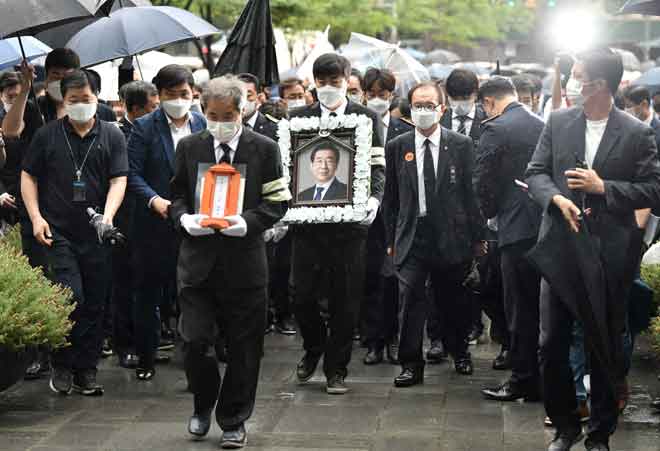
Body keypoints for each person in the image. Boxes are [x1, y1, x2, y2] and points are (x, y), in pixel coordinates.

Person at [525, 47, 660, 451]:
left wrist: (605, 189)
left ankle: (600, 432)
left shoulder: (636, 132)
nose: (571, 83)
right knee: (550, 344)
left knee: (603, 343)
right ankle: (565, 426)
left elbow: (654, 188)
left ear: (600, 85)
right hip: (560, 250)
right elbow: (535, 173)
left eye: (578, 76)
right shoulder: (559, 121)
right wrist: (555, 199)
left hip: (610, 254)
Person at [169, 75, 289, 449]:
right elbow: (176, 196)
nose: (220, 122)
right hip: (198, 263)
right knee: (194, 341)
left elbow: (277, 201)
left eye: (228, 115)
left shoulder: (265, 148)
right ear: (202, 112)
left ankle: (234, 418)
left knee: (245, 346)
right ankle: (203, 404)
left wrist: (248, 223)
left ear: (242, 110)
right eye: (212, 115)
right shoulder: (190, 147)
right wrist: (184, 219)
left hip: (244, 262)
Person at [21, 70, 128, 396]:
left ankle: (87, 369)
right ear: (62, 101)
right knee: (71, 296)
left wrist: (108, 217)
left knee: (95, 301)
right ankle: (63, 363)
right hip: (58, 230)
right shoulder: (48, 135)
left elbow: (118, 179)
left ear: (97, 98)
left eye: (86, 99)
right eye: (73, 101)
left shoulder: (112, 134)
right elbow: (28, 176)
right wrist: (37, 218)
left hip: (96, 231)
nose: (81, 105)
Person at [290, 53, 385, 394]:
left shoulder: (367, 117)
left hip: (350, 228)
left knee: (346, 299)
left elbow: (378, 165)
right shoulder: (298, 118)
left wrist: (374, 198)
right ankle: (314, 346)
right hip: (307, 225)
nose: (328, 88)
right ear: (313, 83)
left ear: (348, 80)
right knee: (300, 296)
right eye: (322, 81)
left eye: (335, 81)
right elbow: (288, 166)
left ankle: (336, 369)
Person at [383, 81, 486, 386]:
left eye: (429, 106)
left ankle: (459, 352)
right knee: (411, 299)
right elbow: (391, 199)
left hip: (451, 235)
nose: (423, 111)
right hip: (412, 235)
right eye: (417, 106)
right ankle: (410, 364)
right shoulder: (398, 146)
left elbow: (471, 195)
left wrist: (478, 237)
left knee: (453, 299)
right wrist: (391, 241)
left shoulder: (461, 145)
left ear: (442, 109)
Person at [127, 64, 206, 381]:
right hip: (153, 224)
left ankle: (193, 361)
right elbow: (130, 173)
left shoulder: (201, 122)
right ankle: (145, 357)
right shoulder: (144, 127)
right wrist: (153, 200)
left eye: (184, 94)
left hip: (192, 223)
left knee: (191, 294)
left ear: (193, 94)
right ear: (159, 97)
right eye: (171, 95)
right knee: (149, 293)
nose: (178, 100)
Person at [473, 77, 544, 402]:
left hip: (513, 229)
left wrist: (486, 215)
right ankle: (541, 378)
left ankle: (523, 379)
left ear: (488, 102)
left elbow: (482, 181)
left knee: (518, 309)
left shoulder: (495, 129)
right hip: (544, 224)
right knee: (542, 310)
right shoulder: (542, 123)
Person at [361, 68, 413, 365]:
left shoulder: (402, 130)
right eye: (373, 95)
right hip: (365, 215)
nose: (378, 100)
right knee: (368, 277)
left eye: (384, 95)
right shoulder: (357, 126)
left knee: (392, 278)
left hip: (395, 216)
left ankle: (392, 337)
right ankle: (372, 340)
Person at [109, 80, 160, 370]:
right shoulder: (118, 134)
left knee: (149, 286)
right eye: (152, 108)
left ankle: (147, 344)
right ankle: (125, 345)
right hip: (125, 219)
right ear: (136, 109)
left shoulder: (157, 130)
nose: (157, 112)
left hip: (153, 217)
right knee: (125, 285)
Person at [237, 73, 278, 141]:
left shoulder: (274, 128)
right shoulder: (226, 126)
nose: (243, 101)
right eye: (238, 96)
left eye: (248, 95)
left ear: (258, 98)